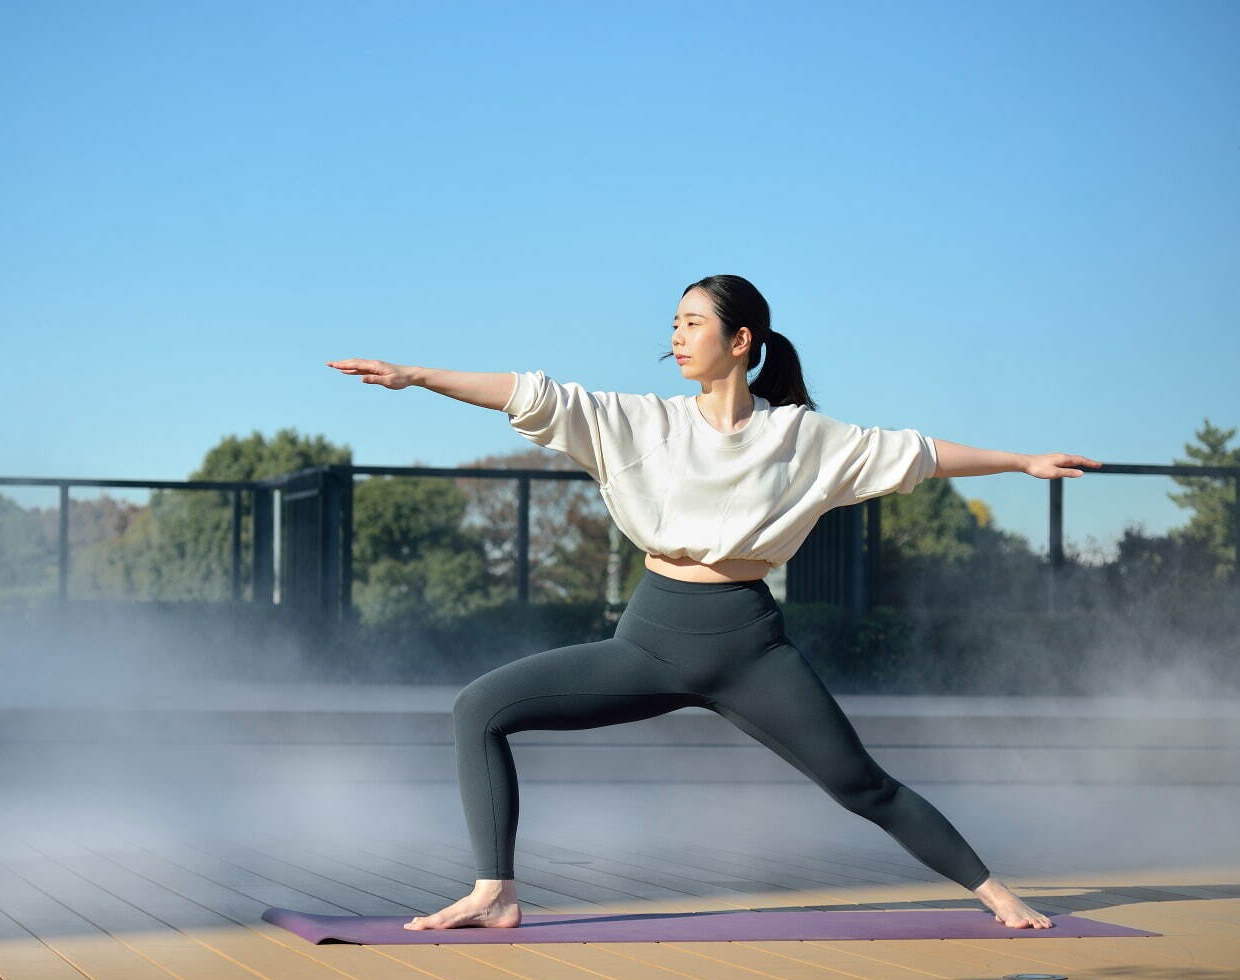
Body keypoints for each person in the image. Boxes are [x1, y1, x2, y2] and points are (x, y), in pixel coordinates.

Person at [326, 274, 1099, 933]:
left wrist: (1022, 460)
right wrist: (418, 374)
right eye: (674, 323)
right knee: (478, 707)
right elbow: (532, 393)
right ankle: (494, 892)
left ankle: (996, 893)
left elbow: (920, 455)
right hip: (650, 639)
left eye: (693, 321)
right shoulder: (643, 420)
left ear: (742, 340)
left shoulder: (802, 437)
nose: (677, 334)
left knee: (861, 783)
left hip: (749, 649)